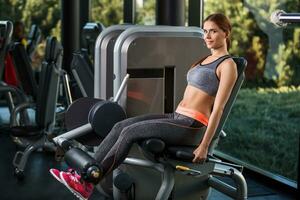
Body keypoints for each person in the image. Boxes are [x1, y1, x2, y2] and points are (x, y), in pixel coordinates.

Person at [50, 13, 238, 200]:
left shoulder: (227, 65)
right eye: (205, 31)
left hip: (192, 124)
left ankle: (88, 181)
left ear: (226, 33)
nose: (207, 36)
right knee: (120, 126)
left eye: (213, 31)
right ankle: (82, 177)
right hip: (177, 116)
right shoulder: (204, 59)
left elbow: (219, 108)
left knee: (129, 133)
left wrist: (204, 145)